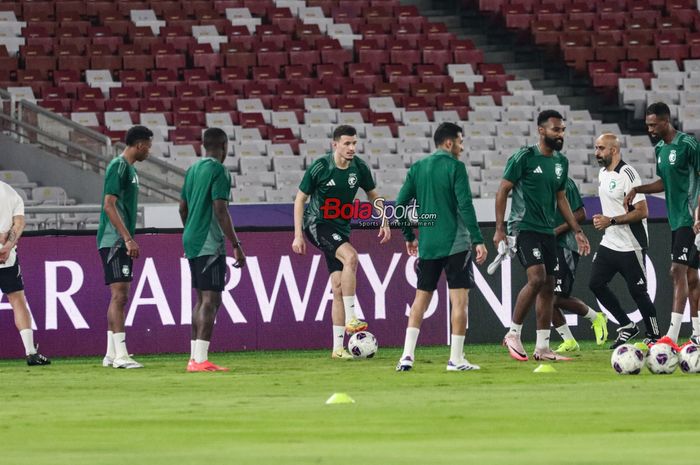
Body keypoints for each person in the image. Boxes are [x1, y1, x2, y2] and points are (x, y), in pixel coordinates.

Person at [495, 109, 591, 362]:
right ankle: (513, 333)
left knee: (548, 286)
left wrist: (578, 231)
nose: (560, 134)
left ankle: (543, 347)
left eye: (562, 130)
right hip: (524, 227)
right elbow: (503, 190)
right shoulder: (524, 157)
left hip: (548, 231)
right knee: (537, 279)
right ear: (541, 130)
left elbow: (561, 200)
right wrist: (499, 229)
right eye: (555, 130)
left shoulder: (561, 163)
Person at [394, 122, 488, 372]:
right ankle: (456, 359)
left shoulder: (418, 167)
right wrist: (477, 238)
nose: (462, 145)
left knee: (420, 300)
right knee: (459, 303)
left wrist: (408, 235)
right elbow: (465, 205)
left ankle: (406, 356)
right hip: (456, 243)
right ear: (449, 143)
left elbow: (400, 205)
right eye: (460, 140)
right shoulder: (455, 167)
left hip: (428, 244)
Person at [292, 125, 391, 359]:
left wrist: (384, 220)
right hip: (317, 224)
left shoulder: (359, 168)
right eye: (347, 143)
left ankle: (337, 349)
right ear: (334, 145)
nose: (352, 148)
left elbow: (373, 195)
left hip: (340, 229)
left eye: (354, 143)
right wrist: (297, 234)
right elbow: (300, 199)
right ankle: (351, 317)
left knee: (337, 287)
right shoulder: (320, 167)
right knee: (351, 257)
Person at [624, 102, 700, 347]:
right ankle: (698, 334)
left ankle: (672, 335)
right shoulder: (659, 150)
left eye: (654, 124)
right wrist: (638, 189)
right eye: (647, 125)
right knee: (691, 276)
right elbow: (665, 182)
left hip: (691, 218)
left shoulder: (689, 145)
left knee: (676, 271)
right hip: (676, 220)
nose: (650, 129)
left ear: (667, 121)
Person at [180, 127, 246, 372]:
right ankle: (200, 360)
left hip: (192, 240)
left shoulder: (192, 170)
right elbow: (220, 209)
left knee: (200, 298)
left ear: (203, 146)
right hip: (209, 242)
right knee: (211, 299)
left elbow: (182, 208)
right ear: (225, 147)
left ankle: (194, 358)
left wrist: (191, 230)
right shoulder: (219, 170)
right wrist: (236, 245)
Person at [590, 133, 660, 348]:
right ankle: (627, 325)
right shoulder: (603, 173)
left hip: (631, 245)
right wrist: (607, 223)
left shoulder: (628, 174)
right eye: (596, 148)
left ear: (613, 150)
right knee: (596, 284)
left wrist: (611, 220)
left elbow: (642, 211)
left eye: (601, 148)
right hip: (610, 243)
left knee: (638, 292)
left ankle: (655, 335)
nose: (596, 153)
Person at [97, 125, 153, 369]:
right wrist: (127, 238)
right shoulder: (118, 167)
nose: (149, 151)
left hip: (117, 240)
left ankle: (111, 354)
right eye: (148, 146)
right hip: (115, 241)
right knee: (120, 296)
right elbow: (109, 205)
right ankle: (121, 355)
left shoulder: (129, 169)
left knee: (119, 297)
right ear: (140, 145)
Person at [550, 177, 608, 353]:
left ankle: (596, 317)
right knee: (544, 296)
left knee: (555, 297)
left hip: (565, 245)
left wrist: (556, 231)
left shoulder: (564, 182)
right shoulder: (538, 182)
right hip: (547, 246)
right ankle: (569, 341)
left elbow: (581, 213)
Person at [0, 181, 50, 366]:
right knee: (18, 301)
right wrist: (7, 246)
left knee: (17, 301)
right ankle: (30, 352)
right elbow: (19, 223)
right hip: (6, 258)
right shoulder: (10, 192)